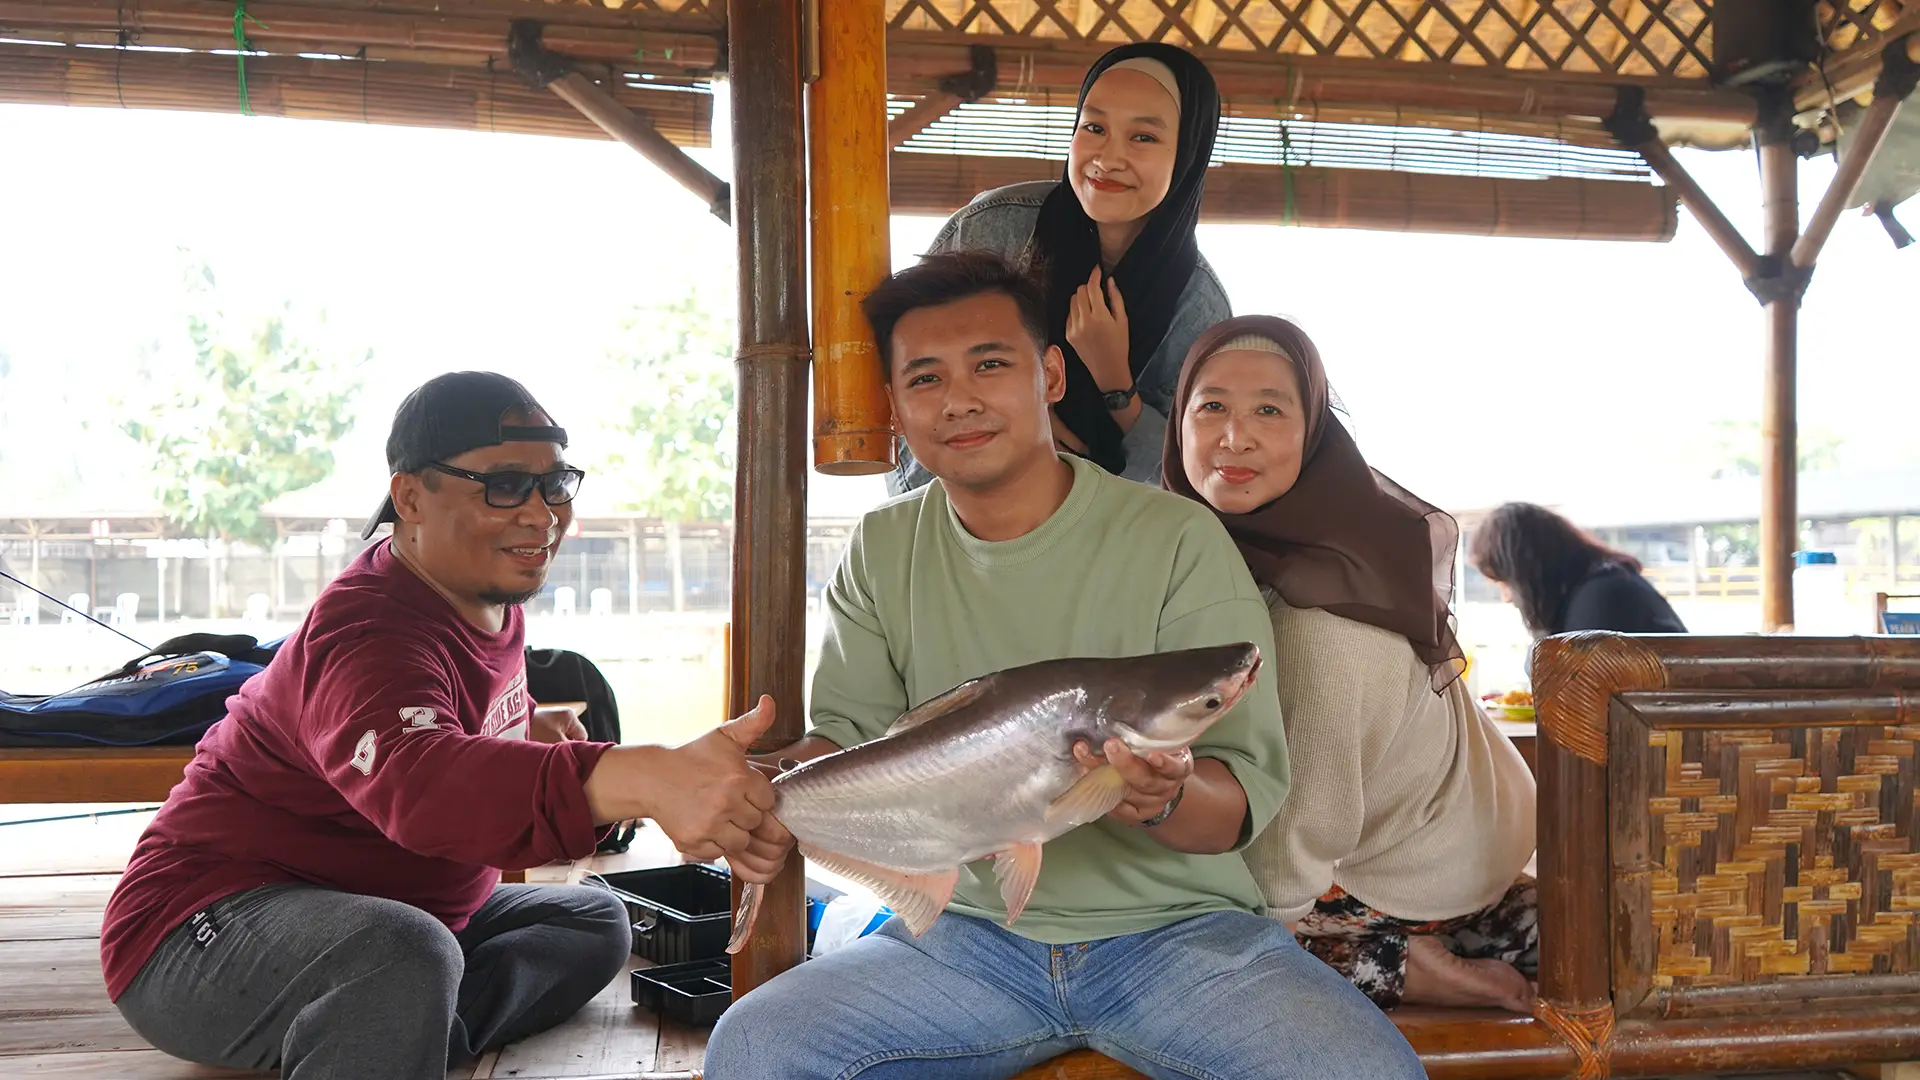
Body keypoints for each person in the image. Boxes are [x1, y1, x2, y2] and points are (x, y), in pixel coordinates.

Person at [704, 253, 1425, 1080]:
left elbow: (1238, 806)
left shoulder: (1177, 538)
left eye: (991, 363)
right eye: (926, 378)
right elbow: (848, 749)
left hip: (1181, 938)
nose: (962, 399)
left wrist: (1164, 796)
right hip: (966, 942)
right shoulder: (882, 548)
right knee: (757, 1046)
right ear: (897, 410)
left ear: (1050, 374)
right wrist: (757, 797)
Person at [99, 372, 791, 1079]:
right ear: (409, 497)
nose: (542, 514)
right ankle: (380, 1019)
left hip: (400, 914)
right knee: (405, 953)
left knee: (591, 923)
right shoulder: (367, 630)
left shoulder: (487, 601)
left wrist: (530, 740)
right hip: (201, 929)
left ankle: (383, 1033)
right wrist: (641, 775)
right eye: (504, 485)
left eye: (556, 484)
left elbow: (451, 736)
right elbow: (421, 782)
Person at [1163, 315, 1539, 1013]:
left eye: (1269, 411)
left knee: (1155, 937)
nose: (1234, 436)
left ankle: (1397, 966)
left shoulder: (1316, 618)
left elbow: (1287, 861)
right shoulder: (1331, 543)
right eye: (1211, 405)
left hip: (1414, 874)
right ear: (1177, 422)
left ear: (1313, 435)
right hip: (1466, 838)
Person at [887, 42, 1231, 495]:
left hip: (1103, 540)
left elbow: (1189, 475)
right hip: (953, 511)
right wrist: (1024, 417)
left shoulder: (1199, 307)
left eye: (1143, 137)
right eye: (1094, 127)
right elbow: (905, 365)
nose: (1108, 158)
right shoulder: (993, 227)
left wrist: (1116, 384)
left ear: (1186, 154)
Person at [1470, 501, 1688, 639]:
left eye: (1506, 583)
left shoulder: (1602, 600)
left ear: (1529, 574)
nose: (1506, 598)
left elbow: (1567, 690)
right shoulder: (1603, 586)